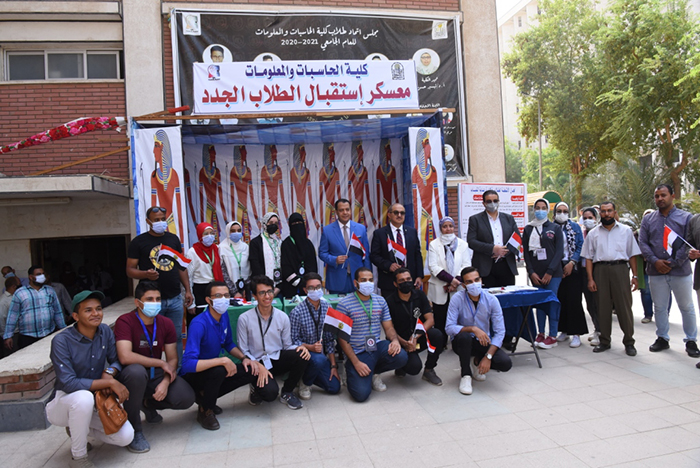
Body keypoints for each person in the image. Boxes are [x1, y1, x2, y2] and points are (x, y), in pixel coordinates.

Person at [46, 290, 134, 467]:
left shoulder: (105, 331)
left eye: (98, 309)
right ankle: (79, 458)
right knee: (83, 398)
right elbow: (68, 382)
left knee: (126, 437)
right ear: (75, 316)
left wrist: (109, 372)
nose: (95, 313)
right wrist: (108, 382)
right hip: (63, 401)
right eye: (88, 310)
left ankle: (77, 429)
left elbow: (116, 360)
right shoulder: (61, 341)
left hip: (94, 401)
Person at [114, 281, 196, 451]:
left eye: (158, 299)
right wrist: (160, 362)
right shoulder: (125, 321)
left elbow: (172, 359)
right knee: (136, 372)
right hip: (131, 374)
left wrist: (165, 382)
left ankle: (147, 404)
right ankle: (135, 430)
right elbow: (125, 356)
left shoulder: (165, 323)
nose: (155, 303)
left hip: (155, 374)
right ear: (138, 302)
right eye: (149, 299)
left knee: (186, 397)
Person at [180, 281, 268, 430]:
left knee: (250, 370)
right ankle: (205, 411)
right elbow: (187, 364)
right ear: (208, 300)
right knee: (219, 370)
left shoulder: (224, 315)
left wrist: (245, 359)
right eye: (218, 296)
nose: (223, 299)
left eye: (226, 295)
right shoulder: (199, 324)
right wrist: (221, 361)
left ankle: (207, 398)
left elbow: (228, 343)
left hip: (214, 371)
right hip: (195, 376)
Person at [639, 184, 699, 357]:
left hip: (680, 271)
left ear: (672, 196)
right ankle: (662, 338)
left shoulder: (686, 218)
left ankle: (691, 340)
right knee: (659, 307)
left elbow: (688, 243)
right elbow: (643, 243)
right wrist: (655, 261)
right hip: (655, 271)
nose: (660, 199)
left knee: (686, 307)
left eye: (663, 195)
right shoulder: (648, 219)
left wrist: (672, 263)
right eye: (657, 196)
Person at [127, 205, 194, 360]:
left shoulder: (173, 239)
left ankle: (177, 369)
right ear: (148, 221)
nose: (160, 222)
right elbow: (129, 270)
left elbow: (181, 266)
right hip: (152, 301)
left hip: (175, 298)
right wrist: (145, 274)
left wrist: (187, 290)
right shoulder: (138, 242)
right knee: (151, 338)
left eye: (163, 219)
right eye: (156, 220)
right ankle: (154, 368)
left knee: (176, 337)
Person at [237, 275, 310, 410]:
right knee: (270, 394)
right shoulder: (244, 319)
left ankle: (287, 392)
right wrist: (257, 365)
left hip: (275, 357)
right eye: (262, 293)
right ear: (254, 296)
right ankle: (255, 387)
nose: (267, 296)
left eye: (270, 291)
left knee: (302, 355)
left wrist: (301, 347)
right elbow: (243, 350)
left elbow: (287, 345)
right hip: (256, 362)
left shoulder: (282, 317)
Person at [336, 267, 408, 402]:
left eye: (370, 280)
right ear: (355, 283)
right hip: (356, 352)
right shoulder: (344, 304)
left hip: (375, 347)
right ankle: (350, 368)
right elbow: (342, 338)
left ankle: (374, 372)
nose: (367, 283)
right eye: (363, 280)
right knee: (361, 395)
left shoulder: (380, 301)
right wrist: (356, 363)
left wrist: (395, 341)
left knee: (401, 356)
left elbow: (389, 327)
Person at [581, 201, 641, 356]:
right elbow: (588, 258)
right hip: (600, 270)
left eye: (609, 210)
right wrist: (590, 279)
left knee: (624, 307)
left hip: (620, 269)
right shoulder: (593, 233)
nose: (606, 214)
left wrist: (635, 276)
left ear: (615, 212)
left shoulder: (626, 231)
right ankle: (605, 341)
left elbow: (632, 255)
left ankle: (629, 342)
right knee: (602, 307)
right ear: (600, 213)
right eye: (603, 211)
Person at [446, 267, 512, 395]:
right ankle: (466, 375)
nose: (474, 284)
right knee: (464, 337)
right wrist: (472, 328)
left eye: (476, 280)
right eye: (469, 282)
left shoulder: (491, 300)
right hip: (462, 342)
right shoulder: (457, 299)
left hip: (483, 341)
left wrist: (488, 357)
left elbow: (500, 331)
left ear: (481, 280)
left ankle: (476, 362)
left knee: (505, 363)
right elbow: (449, 327)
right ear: (464, 285)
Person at [385, 268, 444, 385]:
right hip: (400, 340)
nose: (406, 282)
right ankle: (401, 364)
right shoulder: (389, 301)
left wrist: (415, 337)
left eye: (408, 279)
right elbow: (389, 329)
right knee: (414, 368)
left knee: (436, 334)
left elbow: (430, 320)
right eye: (402, 280)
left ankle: (429, 370)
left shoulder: (420, 295)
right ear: (395, 284)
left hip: (417, 337)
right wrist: (404, 343)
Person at [289, 273, 341, 399]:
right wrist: (310, 347)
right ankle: (305, 383)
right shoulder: (297, 312)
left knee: (334, 387)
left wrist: (333, 366)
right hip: (303, 355)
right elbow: (292, 342)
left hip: (320, 357)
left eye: (318, 287)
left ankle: (308, 375)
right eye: (311, 288)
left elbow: (329, 340)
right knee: (319, 359)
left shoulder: (327, 307)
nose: (316, 290)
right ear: (305, 290)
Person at [522, 198, 564, 349]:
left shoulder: (555, 228)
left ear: (548, 210)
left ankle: (552, 335)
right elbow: (526, 254)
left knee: (551, 303)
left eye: (543, 208)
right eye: (537, 208)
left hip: (553, 274)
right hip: (536, 274)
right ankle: (540, 333)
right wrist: (531, 272)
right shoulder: (528, 229)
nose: (540, 211)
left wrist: (550, 272)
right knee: (539, 304)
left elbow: (559, 252)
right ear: (533, 210)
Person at [428, 216, 471, 345]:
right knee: (440, 317)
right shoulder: (434, 244)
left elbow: (466, 265)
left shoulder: (463, 244)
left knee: (458, 316)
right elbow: (433, 266)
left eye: (450, 226)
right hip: (440, 287)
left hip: (457, 287)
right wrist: (452, 280)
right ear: (440, 228)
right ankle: (441, 343)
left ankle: (458, 342)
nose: (448, 229)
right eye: (445, 226)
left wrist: (455, 282)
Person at [3, 265, 66, 350]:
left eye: (43, 274)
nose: (42, 276)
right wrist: (8, 335)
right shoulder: (20, 293)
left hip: (48, 333)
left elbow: (57, 311)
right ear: (31, 277)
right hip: (27, 337)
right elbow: (13, 315)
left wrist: (63, 329)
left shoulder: (50, 290)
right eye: (39, 274)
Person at [552, 202, 588, 348]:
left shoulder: (574, 227)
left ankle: (576, 334)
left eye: (565, 211)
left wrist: (572, 262)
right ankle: (564, 330)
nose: (562, 214)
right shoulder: (550, 227)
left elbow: (580, 246)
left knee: (574, 300)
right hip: (556, 267)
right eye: (559, 211)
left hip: (572, 266)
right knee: (561, 299)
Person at [467, 190, 519, 287]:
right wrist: (493, 249)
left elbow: (517, 239)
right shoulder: (475, 219)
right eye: (489, 201)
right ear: (483, 203)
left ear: (499, 202)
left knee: (508, 295)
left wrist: (503, 251)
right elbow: (471, 242)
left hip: (506, 265)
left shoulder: (509, 219)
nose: (492, 203)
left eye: (495, 201)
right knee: (487, 295)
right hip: (485, 266)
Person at [370, 203, 424, 297]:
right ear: (389, 214)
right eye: (396, 212)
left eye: (402, 213)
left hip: (409, 281)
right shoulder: (380, 233)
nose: (399, 215)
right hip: (389, 282)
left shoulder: (412, 232)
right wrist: (388, 265)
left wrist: (419, 276)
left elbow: (417, 255)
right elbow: (374, 256)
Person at [319, 199, 371, 294]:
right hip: (337, 279)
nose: (345, 213)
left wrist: (368, 275)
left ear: (350, 210)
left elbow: (366, 254)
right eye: (341, 210)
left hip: (358, 278)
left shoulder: (361, 229)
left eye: (347, 209)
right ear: (336, 212)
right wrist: (334, 259)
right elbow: (322, 253)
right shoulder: (327, 230)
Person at [187, 222, 225, 326]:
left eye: (211, 233)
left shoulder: (217, 249)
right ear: (200, 235)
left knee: (216, 321)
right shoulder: (192, 252)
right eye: (206, 233)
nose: (209, 236)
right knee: (200, 323)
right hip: (199, 290)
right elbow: (188, 277)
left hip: (216, 289)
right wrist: (191, 304)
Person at [280, 213, 318, 298]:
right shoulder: (286, 244)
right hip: (290, 288)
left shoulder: (308, 244)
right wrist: (299, 283)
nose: (297, 226)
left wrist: (308, 284)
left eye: (299, 223)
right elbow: (285, 268)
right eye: (294, 223)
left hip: (309, 289)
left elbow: (313, 266)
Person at [580, 207, 601, 345]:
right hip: (583, 271)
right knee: (590, 304)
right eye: (585, 218)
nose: (587, 220)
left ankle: (601, 331)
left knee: (598, 303)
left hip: (597, 271)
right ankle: (596, 328)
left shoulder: (600, 233)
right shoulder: (581, 233)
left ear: (596, 218)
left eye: (590, 218)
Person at [249, 212, 283, 296]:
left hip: (279, 287)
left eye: (276, 223)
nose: (273, 225)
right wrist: (266, 287)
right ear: (264, 224)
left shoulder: (279, 242)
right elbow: (255, 266)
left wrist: (278, 288)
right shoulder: (256, 243)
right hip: (262, 288)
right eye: (270, 223)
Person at [219, 221, 251, 299]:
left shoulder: (245, 247)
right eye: (233, 231)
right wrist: (234, 292)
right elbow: (223, 272)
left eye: (239, 230)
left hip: (246, 289)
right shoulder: (222, 248)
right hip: (229, 291)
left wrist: (246, 289)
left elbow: (250, 268)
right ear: (228, 232)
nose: (236, 233)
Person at [0, 276, 20, 358]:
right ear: (14, 286)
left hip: (19, 332)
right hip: (12, 335)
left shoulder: (15, 297)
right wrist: (6, 337)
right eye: (19, 285)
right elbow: (1, 319)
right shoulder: (3, 301)